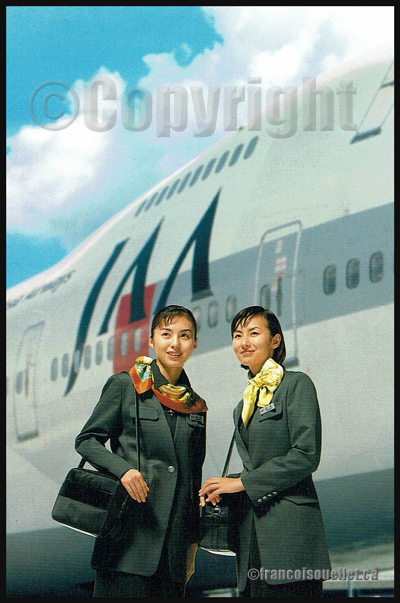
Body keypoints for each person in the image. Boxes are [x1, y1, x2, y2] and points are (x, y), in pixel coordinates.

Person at [75, 305, 207, 598]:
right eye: (166, 334)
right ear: (151, 340)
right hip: (127, 544)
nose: (175, 343)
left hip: (172, 553)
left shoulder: (196, 406)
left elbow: (191, 484)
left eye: (185, 336)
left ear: (194, 343)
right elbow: (86, 441)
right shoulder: (125, 386)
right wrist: (123, 470)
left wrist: (191, 549)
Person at [199, 306, 331, 597]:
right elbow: (257, 466)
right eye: (237, 335)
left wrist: (242, 483)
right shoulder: (243, 405)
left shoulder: (296, 385)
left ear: (275, 341)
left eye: (253, 333)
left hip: (291, 540)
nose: (244, 342)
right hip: (252, 543)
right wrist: (226, 486)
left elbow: (306, 455)